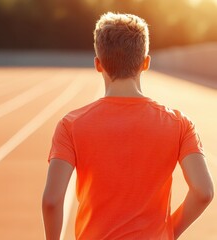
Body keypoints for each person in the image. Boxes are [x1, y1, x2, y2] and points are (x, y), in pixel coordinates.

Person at [42, 12, 214, 240]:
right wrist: (169, 232)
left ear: (98, 64)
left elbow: (52, 201)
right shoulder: (179, 124)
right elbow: (204, 192)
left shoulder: (71, 124)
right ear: (146, 63)